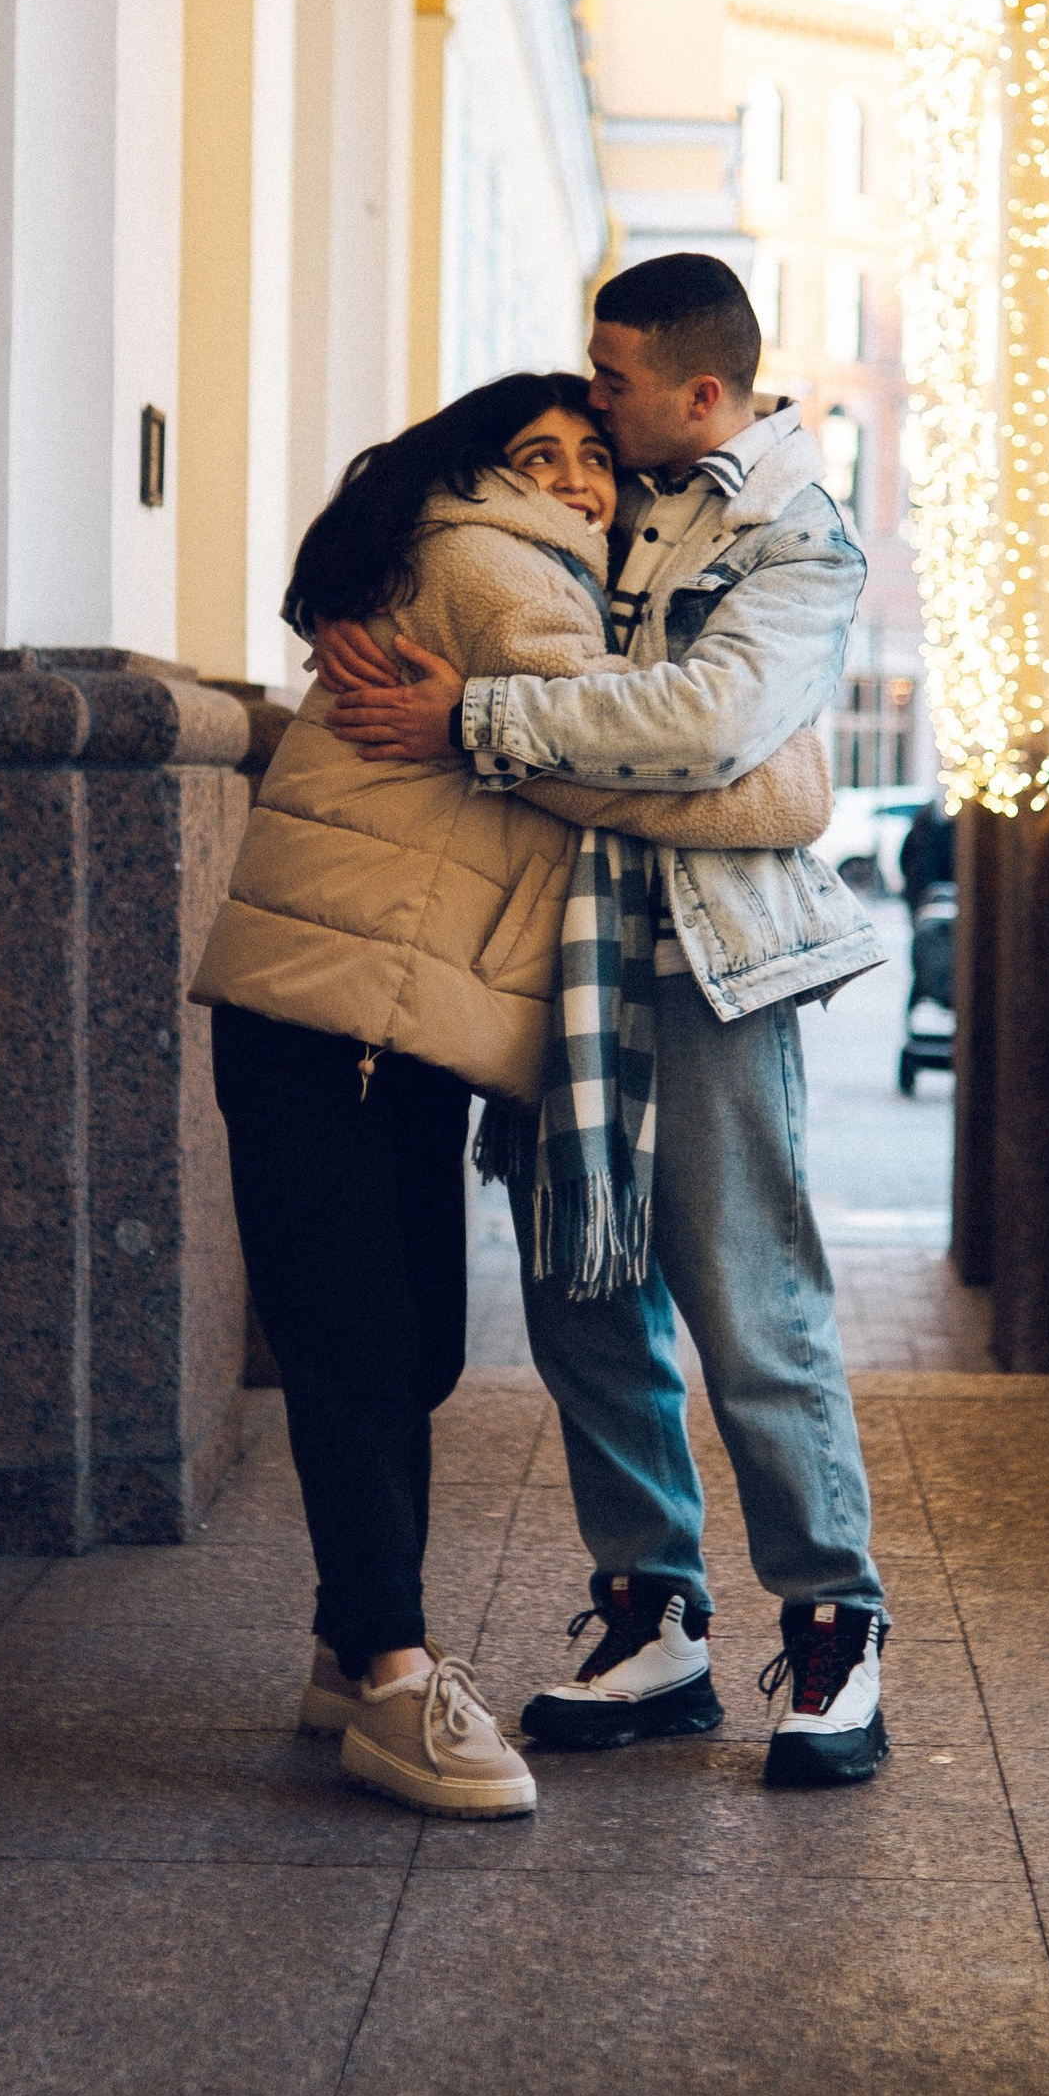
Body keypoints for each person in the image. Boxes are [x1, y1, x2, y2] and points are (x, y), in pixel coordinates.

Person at [190, 370, 832, 1821]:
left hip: (382, 1017)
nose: (581, 482)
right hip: (343, 1015)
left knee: (397, 1346)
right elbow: (694, 771)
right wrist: (789, 784)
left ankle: (350, 1652)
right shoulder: (500, 572)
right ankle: (398, 1682)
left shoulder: (486, 563)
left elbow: (571, 748)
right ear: (483, 473)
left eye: (596, 458)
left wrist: (478, 721)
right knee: (368, 1349)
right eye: (542, 456)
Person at [318, 254, 896, 1790]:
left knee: (746, 1296)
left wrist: (479, 724)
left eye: (617, 377)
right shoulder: (611, 484)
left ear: (702, 392)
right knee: (586, 1294)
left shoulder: (800, 542)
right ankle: (655, 1616)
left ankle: (836, 1624)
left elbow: (707, 731)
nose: (592, 397)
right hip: (551, 947)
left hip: (705, 956)